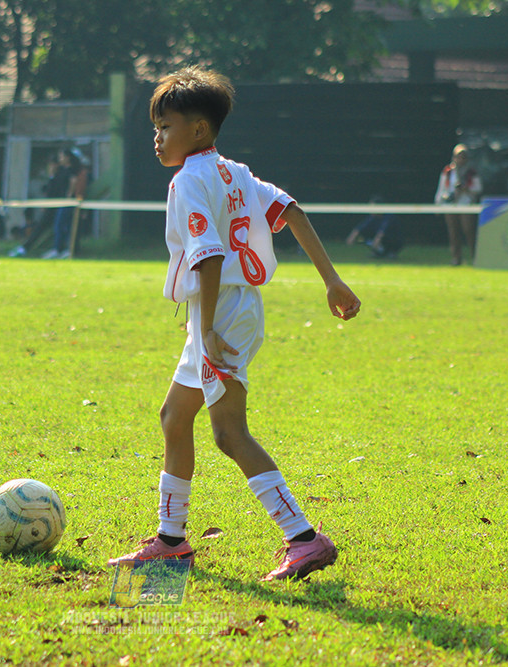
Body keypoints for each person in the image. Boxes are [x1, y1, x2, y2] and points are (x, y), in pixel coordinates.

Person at [106, 66, 361, 581]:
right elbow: (291, 211)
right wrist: (331, 280)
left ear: (198, 129)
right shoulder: (232, 171)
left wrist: (206, 329)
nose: (157, 138)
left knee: (228, 433)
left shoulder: (189, 181)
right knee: (174, 419)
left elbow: (209, 258)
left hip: (221, 311)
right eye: (155, 128)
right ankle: (171, 541)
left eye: (166, 127)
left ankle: (304, 538)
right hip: (228, 309)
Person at [434, 144, 482, 265]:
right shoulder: (448, 172)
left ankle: (474, 256)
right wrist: (438, 204)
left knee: (469, 230)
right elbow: (441, 189)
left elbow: (478, 188)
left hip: (466, 204)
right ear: (454, 157)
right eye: (458, 156)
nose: (461, 159)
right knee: (453, 232)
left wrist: (466, 189)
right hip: (450, 205)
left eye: (463, 157)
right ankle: (456, 258)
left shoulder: (471, 172)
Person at [45, 148, 90, 259]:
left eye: (62, 157)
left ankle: (62, 249)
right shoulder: (61, 170)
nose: (60, 159)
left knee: (63, 225)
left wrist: (70, 194)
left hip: (68, 202)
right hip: (61, 201)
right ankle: (60, 248)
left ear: (68, 157)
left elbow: (74, 182)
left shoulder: (72, 170)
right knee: (61, 225)